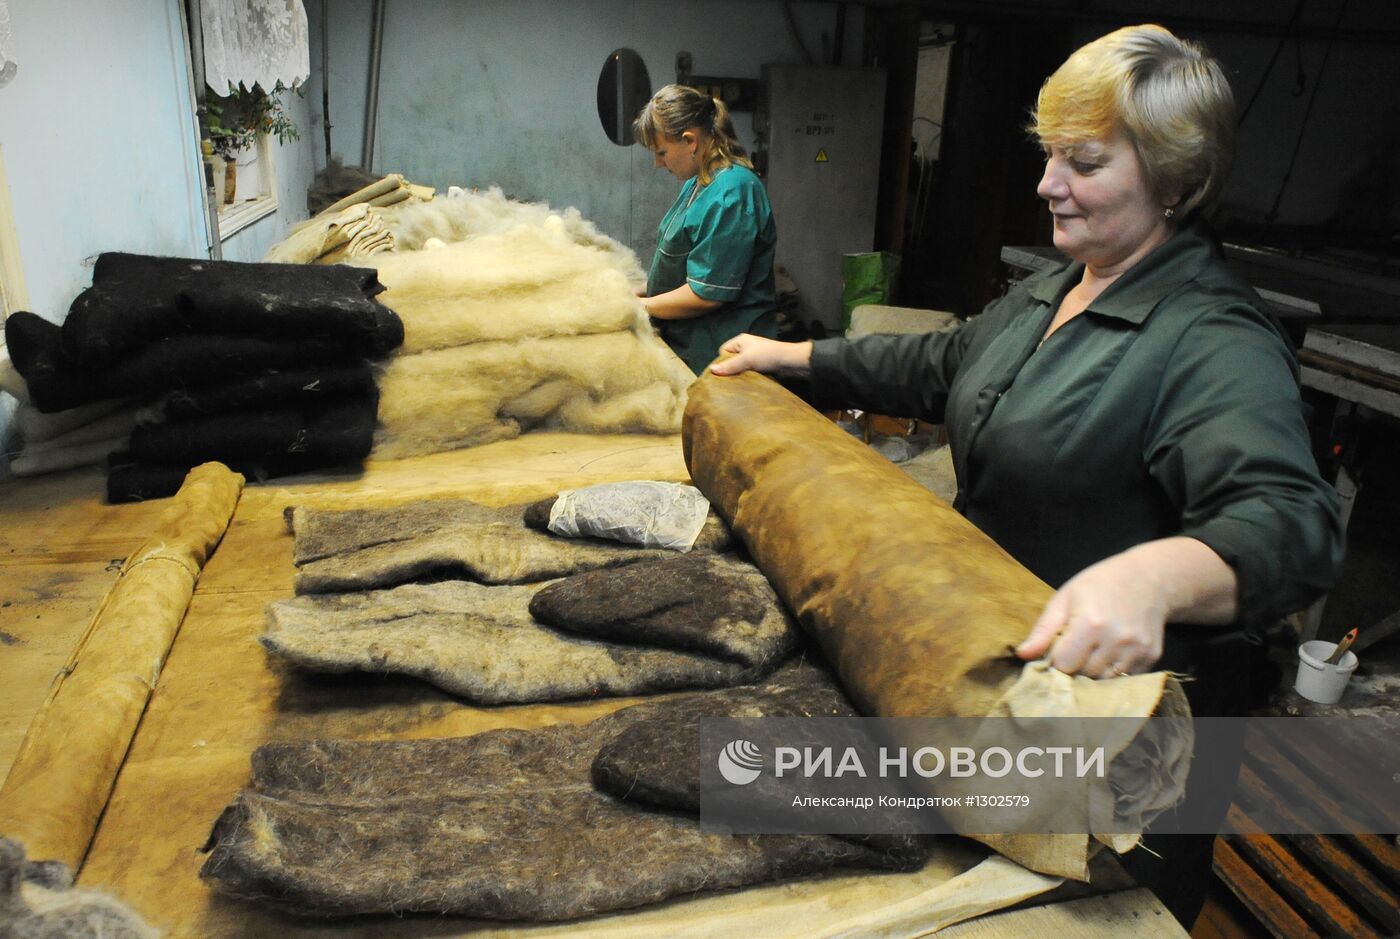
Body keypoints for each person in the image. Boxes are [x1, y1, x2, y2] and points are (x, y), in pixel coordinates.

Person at [711, 24, 1345, 928]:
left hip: (1118, 753)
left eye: (1083, 162)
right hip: (997, 683)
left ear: (1172, 178)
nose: (1048, 184)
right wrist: (793, 355)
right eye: (1050, 156)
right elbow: (943, 363)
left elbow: (1293, 523)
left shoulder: (1212, 338)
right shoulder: (1061, 285)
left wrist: (1154, 578)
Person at [633, 84, 778, 375]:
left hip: (723, 357)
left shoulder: (732, 193)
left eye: (661, 152)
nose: (658, 164)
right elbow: (681, 265)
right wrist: (636, 292)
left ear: (690, 141)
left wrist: (640, 306)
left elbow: (707, 294)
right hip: (691, 348)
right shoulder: (698, 183)